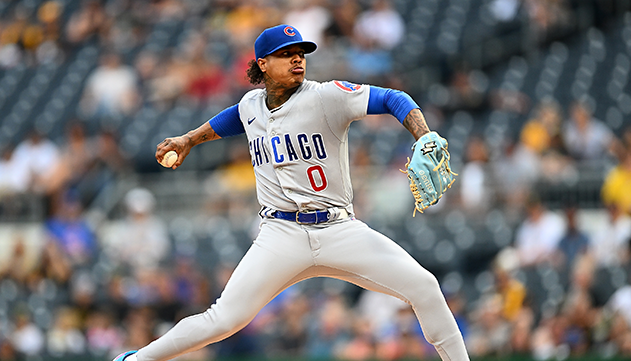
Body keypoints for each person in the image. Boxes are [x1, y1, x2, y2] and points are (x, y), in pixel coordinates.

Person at [113, 24, 469, 361]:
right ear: (262, 64)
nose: (298, 58)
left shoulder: (327, 96)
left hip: (338, 229)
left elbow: (393, 97)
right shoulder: (252, 105)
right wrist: (189, 138)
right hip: (280, 235)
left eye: (301, 52)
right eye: (286, 53)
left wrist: (422, 134)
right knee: (223, 319)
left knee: (424, 285)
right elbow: (234, 118)